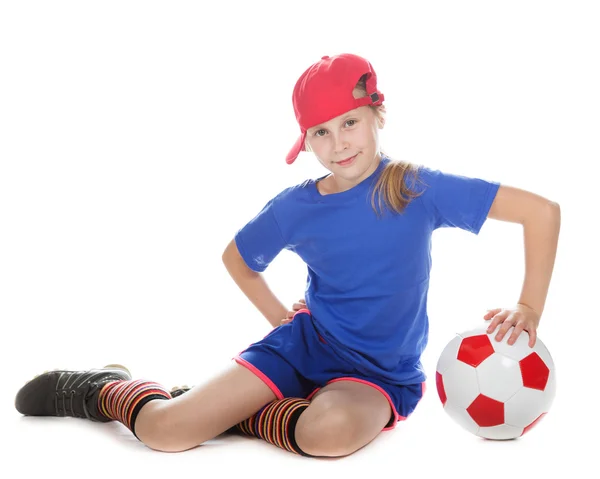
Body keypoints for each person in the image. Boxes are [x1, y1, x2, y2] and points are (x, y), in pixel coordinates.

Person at [14, 53, 561, 458]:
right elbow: (238, 259)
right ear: (307, 142)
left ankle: (249, 415)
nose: (339, 142)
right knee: (165, 432)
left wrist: (529, 306)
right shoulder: (296, 208)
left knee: (329, 435)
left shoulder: (416, 188)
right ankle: (100, 388)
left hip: (377, 373)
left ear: (377, 115)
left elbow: (542, 212)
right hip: (304, 345)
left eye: (350, 122)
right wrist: (280, 317)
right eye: (321, 132)